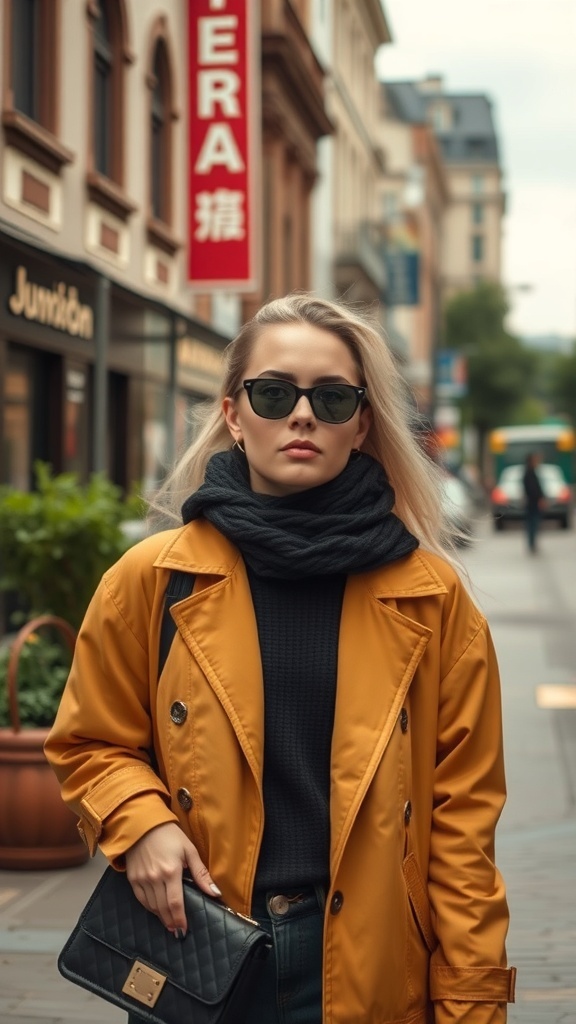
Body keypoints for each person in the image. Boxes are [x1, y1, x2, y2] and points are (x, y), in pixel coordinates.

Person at [45, 294, 515, 1024]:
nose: (302, 416)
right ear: (234, 413)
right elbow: (89, 742)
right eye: (274, 393)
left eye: (331, 398)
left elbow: (463, 829)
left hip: (373, 965)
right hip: (202, 951)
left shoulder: (432, 600)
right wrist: (142, 825)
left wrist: (471, 1001)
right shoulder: (153, 580)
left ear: (362, 423)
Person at [522, 452, 545, 553]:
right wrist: (540, 498)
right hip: (532, 503)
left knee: (533, 523)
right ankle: (532, 544)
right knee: (532, 523)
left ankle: (532, 544)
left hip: (533, 502)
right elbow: (532, 489)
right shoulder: (529, 473)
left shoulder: (532, 472)